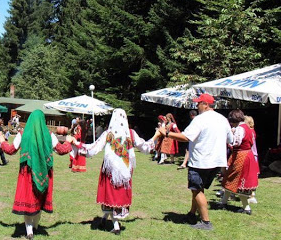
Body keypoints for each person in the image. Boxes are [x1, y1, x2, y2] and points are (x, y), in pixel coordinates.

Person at [158, 93, 233, 230]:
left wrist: (166, 133)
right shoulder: (223, 119)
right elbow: (230, 139)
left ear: (205, 104)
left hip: (200, 160)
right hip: (217, 161)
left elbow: (186, 137)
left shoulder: (200, 119)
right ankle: (192, 214)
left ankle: (206, 222)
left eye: (198, 103)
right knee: (199, 189)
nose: (196, 106)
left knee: (197, 190)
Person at [0, 110, 72, 240]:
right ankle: (35, 226)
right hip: (44, 171)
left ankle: (29, 230)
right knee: (39, 199)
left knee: (28, 198)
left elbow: (10, 150)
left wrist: (2, 141)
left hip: (27, 171)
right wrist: (69, 141)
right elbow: (61, 150)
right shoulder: (49, 135)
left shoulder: (23, 134)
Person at [81, 108, 153, 235]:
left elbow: (93, 148)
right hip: (125, 172)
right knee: (116, 196)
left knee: (111, 195)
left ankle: (116, 226)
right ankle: (105, 218)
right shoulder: (131, 133)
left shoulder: (108, 134)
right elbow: (145, 147)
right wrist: (156, 137)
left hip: (110, 171)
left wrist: (78, 147)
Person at [218, 110, 260, 215]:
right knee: (229, 178)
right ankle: (223, 202)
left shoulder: (240, 129)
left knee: (238, 181)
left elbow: (236, 143)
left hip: (241, 156)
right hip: (247, 155)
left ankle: (246, 208)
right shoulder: (248, 128)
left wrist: (229, 139)